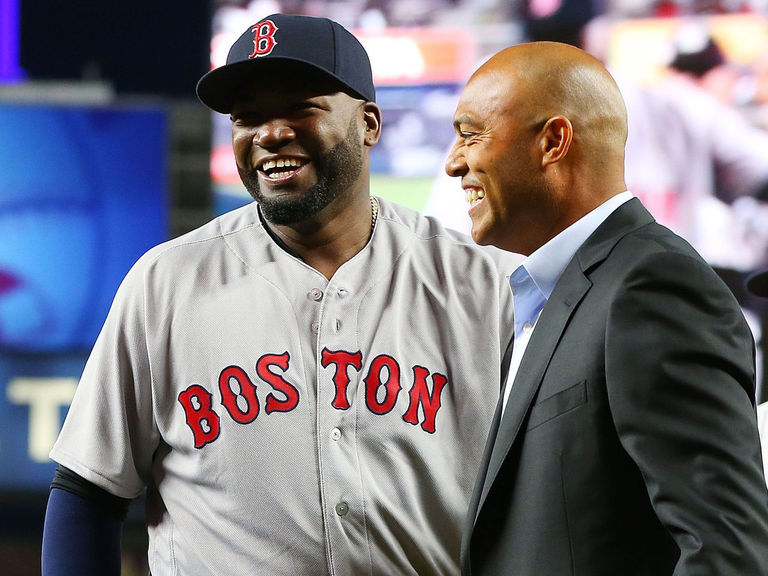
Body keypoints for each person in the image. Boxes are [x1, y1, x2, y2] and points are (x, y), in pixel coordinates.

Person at [41, 14, 518, 576]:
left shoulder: (486, 286)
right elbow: (87, 492)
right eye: (248, 117)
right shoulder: (166, 283)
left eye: (299, 106)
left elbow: (540, 501)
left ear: (369, 123)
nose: (270, 133)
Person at [445, 41, 768, 575]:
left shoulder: (652, 286)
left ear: (553, 141)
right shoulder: (553, 291)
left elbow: (727, 549)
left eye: (470, 134)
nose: (456, 162)